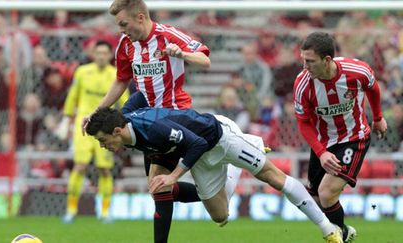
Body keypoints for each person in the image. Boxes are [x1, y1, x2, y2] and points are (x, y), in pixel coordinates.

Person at [86, 107, 343, 243]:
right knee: (220, 217)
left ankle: (328, 230)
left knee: (272, 177)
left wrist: (174, 176)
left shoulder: (154, 131)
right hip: (200, 158)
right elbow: (137, 96)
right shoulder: (125, 127)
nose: (102, 145)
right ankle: (233, 168)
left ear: (118, 131)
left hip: (218, 137)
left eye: (102, 139)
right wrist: (97, 114)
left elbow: (196, 143)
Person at [81, 1, 224, 242]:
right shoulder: (126, 45)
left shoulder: (167, 35)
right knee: (159, 188)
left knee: (158, 184)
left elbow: (205, 59)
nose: (121, 30)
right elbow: (121, 81)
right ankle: (211, 192)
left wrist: (183, 54)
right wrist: (97, 112)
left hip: (175, 115)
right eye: (118, 25)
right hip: (147, 119)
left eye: (123, 24)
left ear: (139, 17)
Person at [293, 32, 388, 243]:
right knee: (316, 199)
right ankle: (344, 232)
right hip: (322, 143)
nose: (305, 66)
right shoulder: (302, 84)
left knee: (326, 193)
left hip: (354, 138)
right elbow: (304, 122)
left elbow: (373, 88)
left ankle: (340, 238)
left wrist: (378, 117)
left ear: (327, 60)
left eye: (310, 61)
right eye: (303, 60)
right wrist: (321, 152)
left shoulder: (357, 71)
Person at [57, 40, 129, 223]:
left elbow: (124, 101)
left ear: (110, 55)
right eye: (98, 53)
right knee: (79, 166)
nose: (101, 56)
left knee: (104, 170)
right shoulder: (82, 72)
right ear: (93, 54)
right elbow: (73, 95)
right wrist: (66, 118)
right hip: (83, 128)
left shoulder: (116, 74)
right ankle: (71, 210)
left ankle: (105, 212)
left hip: (105, 131)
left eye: (105, 53)